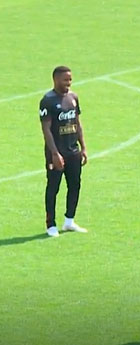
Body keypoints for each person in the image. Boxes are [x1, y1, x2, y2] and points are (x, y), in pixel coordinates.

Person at [39, 66, 88, 237]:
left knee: (75, 185)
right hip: (57, 153)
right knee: (53, 187)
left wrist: (83, 147)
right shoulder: (48, 100)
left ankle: (69, 221)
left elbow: (78, 123)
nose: (68, 83)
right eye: (65, 80)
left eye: (70, 80)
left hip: (73, 151)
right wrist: (54, 153)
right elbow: (46, 129)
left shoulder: (73, 98)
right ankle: (50, 224)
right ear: (56, 79)